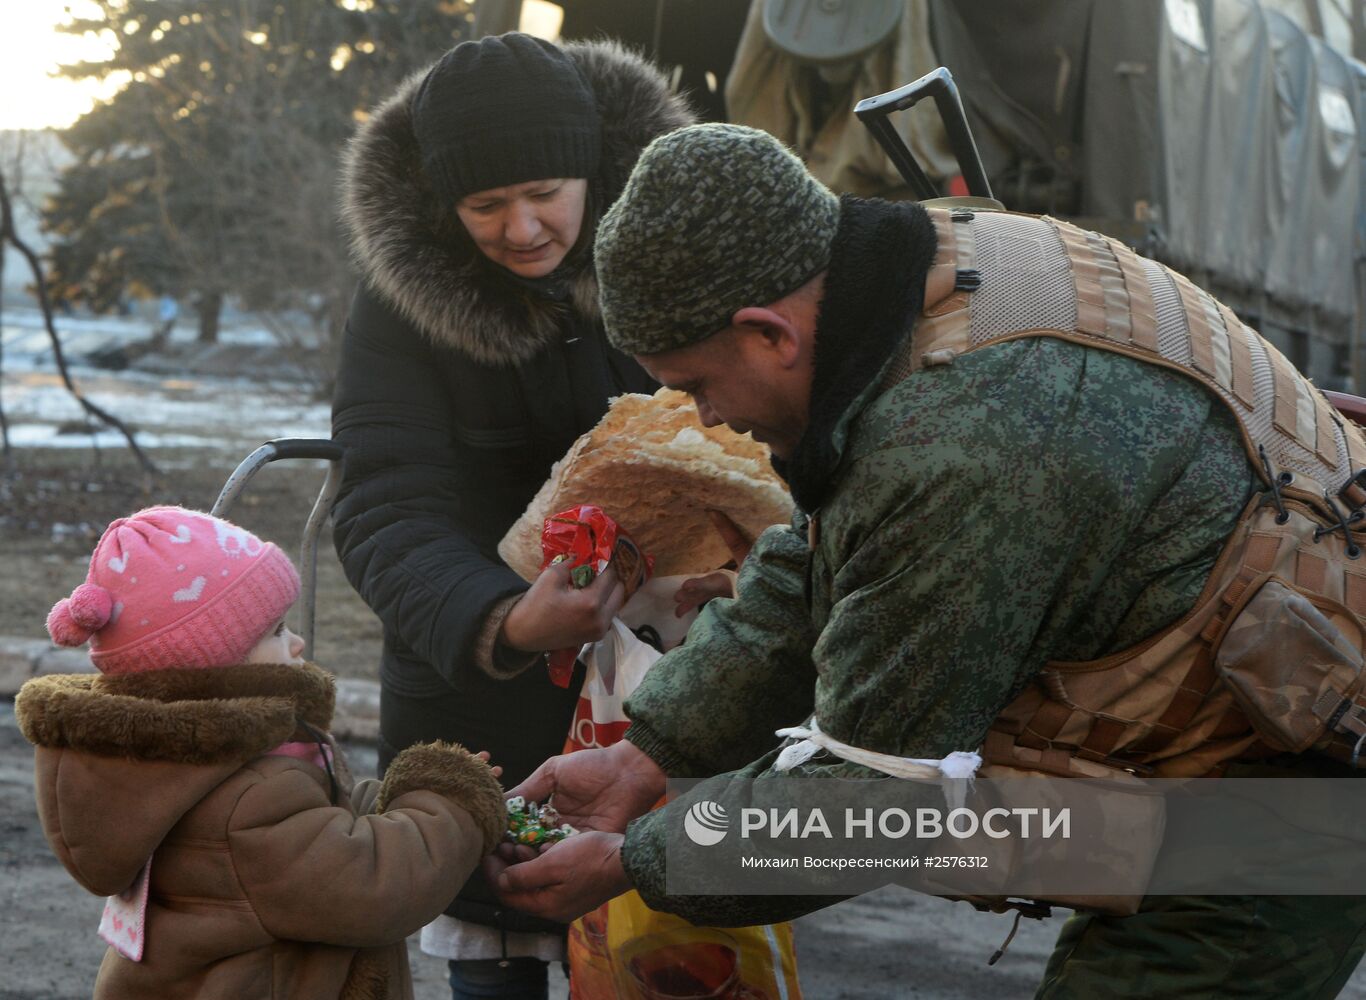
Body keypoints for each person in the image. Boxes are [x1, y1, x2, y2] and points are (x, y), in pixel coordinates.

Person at [487, 123, 1366, 999]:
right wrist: (647, 755)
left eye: (699, 386)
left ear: (769, 332)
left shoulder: (959, 444)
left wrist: (630, 862)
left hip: (1283, 808)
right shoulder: (926, 276)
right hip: (1231, 751)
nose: (708, 419)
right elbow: (819, 562)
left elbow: (876, 803)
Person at [330, 31, 692, 998]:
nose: (523, 227)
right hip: (478, 702)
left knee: (676, 964)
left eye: (544, 193)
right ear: (445, 206)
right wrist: (504, 618)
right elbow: (382, 502)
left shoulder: (675, 258)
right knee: (502, 955)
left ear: (594, 171)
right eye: (485, 205)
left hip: (676, 688)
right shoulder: (401, 306)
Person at [17, 505, 507, 1000]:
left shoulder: (186, 767)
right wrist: (452, 799)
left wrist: (395, 797)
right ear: (215, 666)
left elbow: (316, 832)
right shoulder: (246, 801)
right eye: (275, 630)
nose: (295, 643)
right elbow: (373, 886)